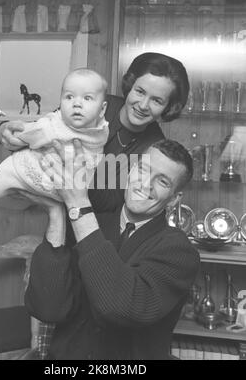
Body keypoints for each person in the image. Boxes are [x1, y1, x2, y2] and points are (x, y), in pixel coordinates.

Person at [24, 138, 200, 360]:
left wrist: (78, 205)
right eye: (143, 170)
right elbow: (47, 309)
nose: (145, 184)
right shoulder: (86, 223)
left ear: (174, 199)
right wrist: (58, 212)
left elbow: (120, 307)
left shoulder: (179, 252)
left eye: (162, 181)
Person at [0, 52, 190, 212]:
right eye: (140, 92)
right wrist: (3, 131)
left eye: (157, 101)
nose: (143, 105)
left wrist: (76, 172)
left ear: (168, 108)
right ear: (130, 86)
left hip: (98, 231)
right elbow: (42, 130)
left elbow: (110, 202)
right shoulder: (94, 103)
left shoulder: (152, 147)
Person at [0, 68, 109, 223]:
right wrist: (11, 134)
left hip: (53, 186)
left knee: (14, 204)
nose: (77, 104)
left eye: (87, 98)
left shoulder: (101, 131)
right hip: (21, 169)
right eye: (69, 97)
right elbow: (28, 132)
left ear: (102, 110)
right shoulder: (53, 125)